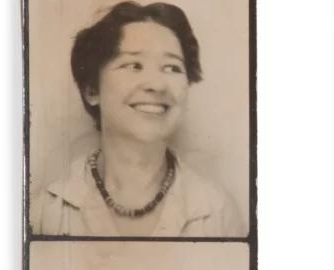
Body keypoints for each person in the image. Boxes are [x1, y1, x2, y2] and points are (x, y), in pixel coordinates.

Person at [31, 2, 245, 237]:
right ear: (92, 89)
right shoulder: (46, 212)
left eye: (172, 68)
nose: (157, 84)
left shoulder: (217, 213)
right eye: (134, 65)